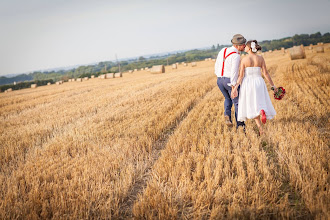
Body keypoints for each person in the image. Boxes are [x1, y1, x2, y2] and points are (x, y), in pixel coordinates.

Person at [231, 40, 277, 135]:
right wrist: (273, 86)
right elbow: (266, 73)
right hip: (259, 82)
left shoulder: (244, 60)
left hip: (248, 83)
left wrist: (235, 88)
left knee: (252, 104)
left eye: (246, 47)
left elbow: (241, 76)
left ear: (249, 48)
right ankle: (261, 110)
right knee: (260, 101)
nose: (244, 48)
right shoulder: (260, 58)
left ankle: (261, 128)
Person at [215, 34, 246, 128]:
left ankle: (227, 114)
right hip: (229, 80)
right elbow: (234, 71)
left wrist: (219, 75)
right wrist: (234, 86)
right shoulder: (236, 56)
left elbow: (216, 65)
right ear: (237, 46)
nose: (245, 46)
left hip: (220, 80)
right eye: (243, 44)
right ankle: (240, 125)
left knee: (228, 99)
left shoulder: (223, 50)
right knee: (237, 102)